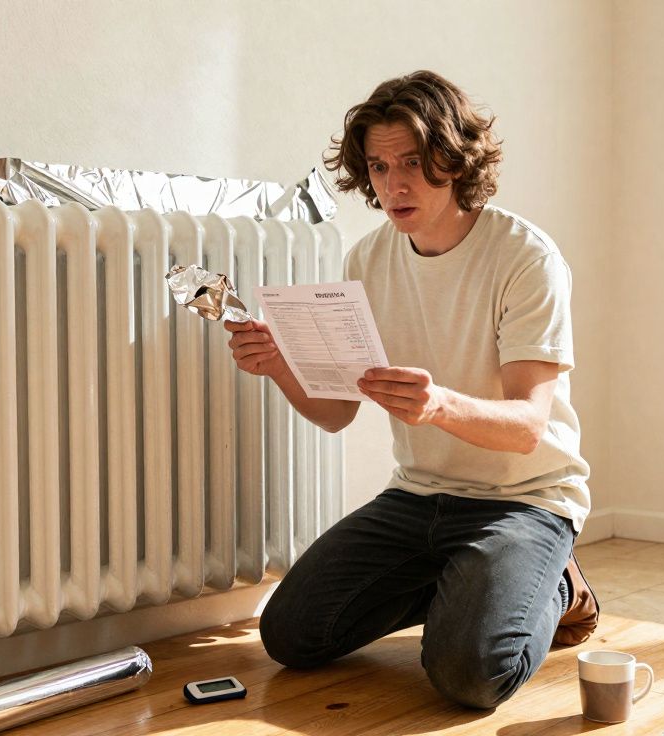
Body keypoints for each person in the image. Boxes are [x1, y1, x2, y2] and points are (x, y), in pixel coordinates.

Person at [223, 70, 597, 709]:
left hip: (523, 501)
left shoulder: (525, 258)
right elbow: (337, 413)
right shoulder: (367, 260)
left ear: (454, 161)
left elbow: (531, 425)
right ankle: (467, 586)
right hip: (418, 497)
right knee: (289, 635)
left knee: (469, 675)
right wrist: (280, 365)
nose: (394, 184)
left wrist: (441, 405)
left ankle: (556, 584)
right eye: (378, 166)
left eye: (414, 164)